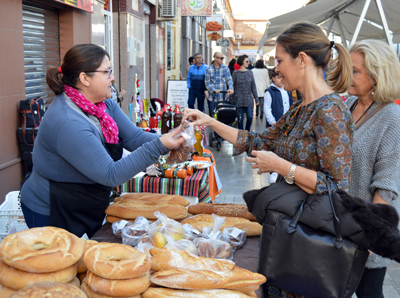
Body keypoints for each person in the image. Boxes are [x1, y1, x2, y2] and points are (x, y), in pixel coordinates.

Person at [184, 22, 353, 297]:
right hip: (287, 233)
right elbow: (258, 141)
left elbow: (337, 188)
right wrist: (210, 122)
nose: (276, 68)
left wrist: (281, 167)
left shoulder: (331, 111)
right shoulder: (301, 108)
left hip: (308, 244)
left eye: (280, 60)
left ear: (302, 60)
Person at [20, 44, 185, 238]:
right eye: (107, 72)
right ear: (84, 78)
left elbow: (133, 137)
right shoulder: (68, 121)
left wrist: (175, 137)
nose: (112, 78)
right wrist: (160, 145)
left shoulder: (104, 104)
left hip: (84, 199)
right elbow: (111, 174)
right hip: (52, 207)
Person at [346, 39, 400, 298]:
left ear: (377, 77)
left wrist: (369, 234)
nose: (348, 74)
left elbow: (386, 185)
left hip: (366, 230)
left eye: (355, 71)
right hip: (341, 226)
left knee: (369, 292)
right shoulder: (348, 106)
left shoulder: (391, 117)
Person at [231, 55, 258, 131]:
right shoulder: (235, 73)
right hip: (238, 100)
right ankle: (241, 134)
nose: (248, 63)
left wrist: (256, 99)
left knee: (250, 117)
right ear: (241, 61)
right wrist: (231, 101)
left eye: (248, 61)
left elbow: (253, 86)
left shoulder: (250, 73)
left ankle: (247, 131)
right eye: (246, 61)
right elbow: (232, 87)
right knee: (240, 119)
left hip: (248, 99)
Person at [205, 52, 234, 116]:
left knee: (223, 116)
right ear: (215, 58)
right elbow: (207, 83)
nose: (222, 60)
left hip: (223, 97)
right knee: (213, 116)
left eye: (223, 58)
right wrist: (214, 90)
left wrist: (231, 88)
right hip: (213, 97)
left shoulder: (225, 68)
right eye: (221, 58)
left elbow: (229, 80)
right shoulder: (209, 69)